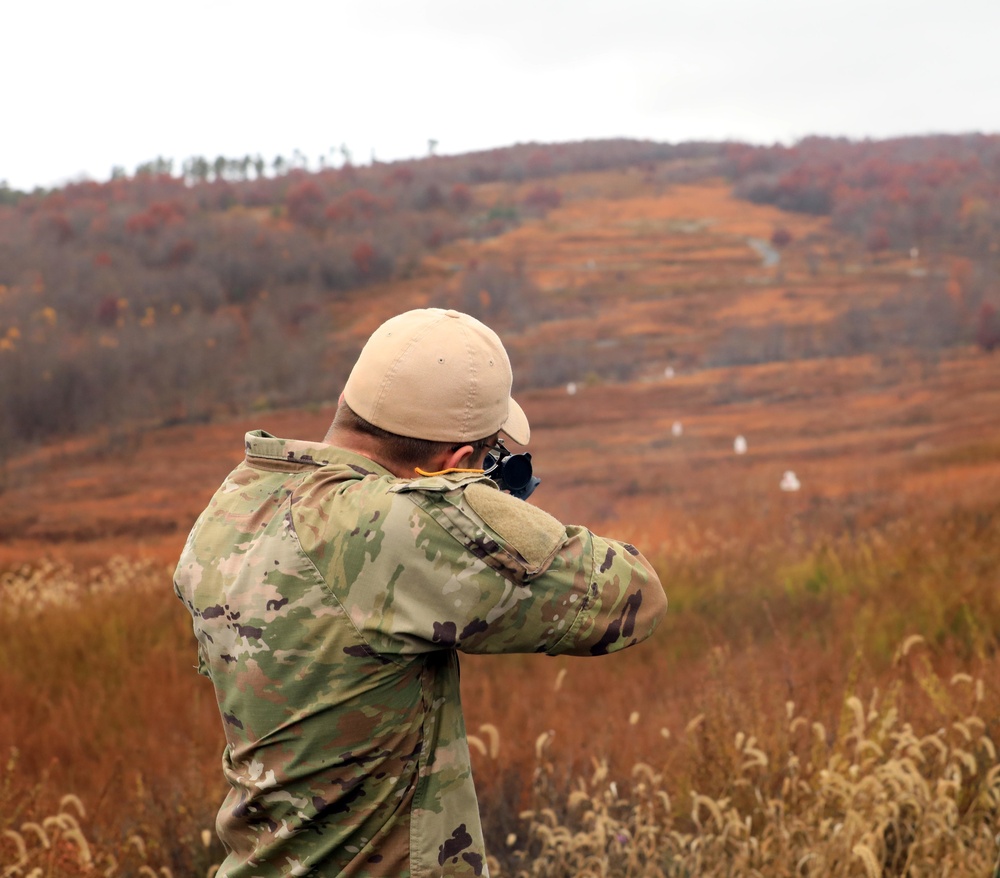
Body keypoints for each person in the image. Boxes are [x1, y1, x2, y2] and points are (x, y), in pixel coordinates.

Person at [174, 308, 667, 878]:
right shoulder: (391, 528)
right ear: (452, 466)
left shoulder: (237, 504)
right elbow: (633, 595)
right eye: (482, 462)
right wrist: (476, 505)